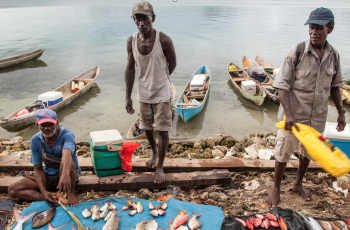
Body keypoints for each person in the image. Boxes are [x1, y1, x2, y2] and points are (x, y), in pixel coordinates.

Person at [265, 7, 346, 207]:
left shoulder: (333, 55)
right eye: (311, 27)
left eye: (319, 28)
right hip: (293, 117)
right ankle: (276, 190)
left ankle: (298, 183)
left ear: (330, 28)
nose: (314, 32)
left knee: (307, 153)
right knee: (283, 152)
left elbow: (335, 86)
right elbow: (282, 85)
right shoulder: (297, 51)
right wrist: (290, 115)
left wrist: (341, 113)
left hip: (317, 116)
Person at [125, 0, 176, 183]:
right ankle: (154, 150)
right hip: (144, 92)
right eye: (137, 19)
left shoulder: (164, 40)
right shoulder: (131, 41)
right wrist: (128, 97)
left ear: (152, 18)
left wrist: (161, 78)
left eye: (144, 18)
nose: (141, 23)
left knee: (162, 130)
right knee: (146, 128)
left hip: (162, 91)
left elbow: (173, 63)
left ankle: (160, 166)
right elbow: (130, 69)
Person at [7, 109, 81, 206]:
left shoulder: (67, 135)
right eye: (43, 125)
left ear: (57, 123)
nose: (47, 128)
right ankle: (52, 198)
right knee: (12, 189)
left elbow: (67, 154)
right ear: (37, 125)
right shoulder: (35, 140)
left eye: (51, 124)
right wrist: (43, 191)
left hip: (68, 174)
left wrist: (65, 175)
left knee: (67, 162)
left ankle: (71, 192)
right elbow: (38, 168)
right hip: (48, 174)